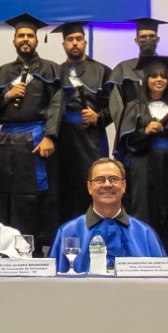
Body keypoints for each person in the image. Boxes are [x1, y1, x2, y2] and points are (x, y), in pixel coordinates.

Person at [0, 13, 62, 249]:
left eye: (30, 35)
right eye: (21, 36)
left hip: (36, 140)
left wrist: (50, 136)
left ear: (36, 40)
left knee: (36, 194)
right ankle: (6, 248)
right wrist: (6, 96)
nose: (25, 39)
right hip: (6, 141)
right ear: (14, 41)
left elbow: (57, 103)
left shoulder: (51, 69)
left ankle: (35, 250)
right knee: (5, 194)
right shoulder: (2, 73)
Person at [117, 55, 168, 253]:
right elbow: (125, 142)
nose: (159, 80)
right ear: (146, 80)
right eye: (154, 76)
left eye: (163, 76)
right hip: (143, 163)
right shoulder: (134, 107)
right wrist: (145, 132)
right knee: (144, 209)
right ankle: (143, 256)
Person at [49, 157, 164, 273]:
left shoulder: (145, 233)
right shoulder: (67, 232)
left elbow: (164, 280)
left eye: (114, 179)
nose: (107, 184)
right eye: (100, 180)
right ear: (89, 187)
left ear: (124, 185)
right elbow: (50, 281)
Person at [50, 21, 113, 224]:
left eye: (78, 39)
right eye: (70, 39)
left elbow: (115, 107)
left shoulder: (103, 71)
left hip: (91, 138)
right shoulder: (55, 72)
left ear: (85, 42)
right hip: (63, 139)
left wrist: (99, 117)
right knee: (63, 189)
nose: (74, 43)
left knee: (94, 184)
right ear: (64, 44)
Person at [106, 16, 167, 125]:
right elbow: (117, 105)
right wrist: (126, 127)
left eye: (151, 36)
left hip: (166, 126)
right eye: (143, 37)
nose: (147, 40)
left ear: (157, 39)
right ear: (136, 40)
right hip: (134, 128)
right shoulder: (123, 69)